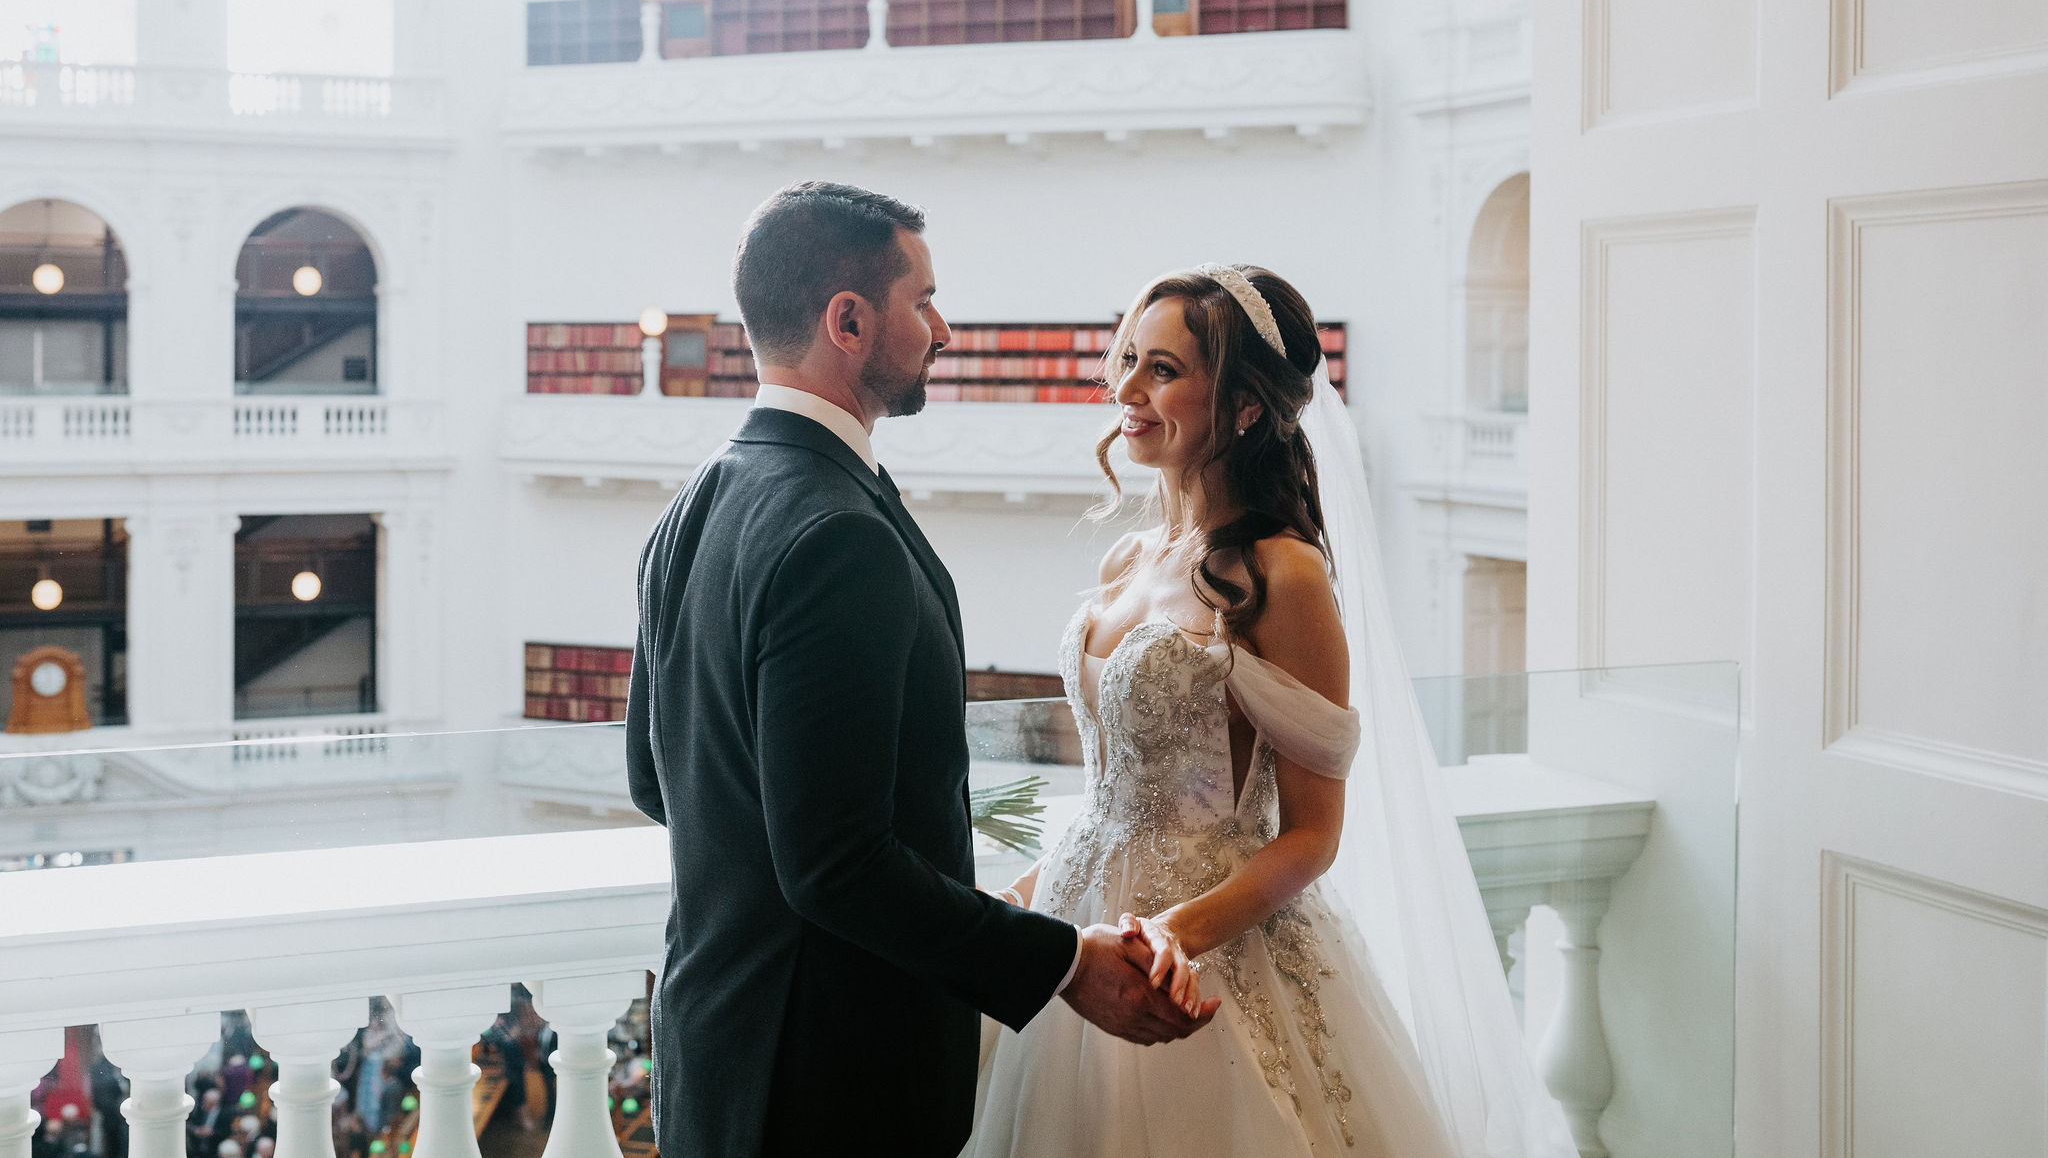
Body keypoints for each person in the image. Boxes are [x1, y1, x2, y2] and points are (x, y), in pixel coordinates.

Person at [626, 182, 1215, 1158]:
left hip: (712, 1050)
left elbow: (659, 781)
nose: (941, 329)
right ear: (848, 321)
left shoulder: (693, 507)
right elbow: (836, 864)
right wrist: (1066, 963)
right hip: (832, 1077)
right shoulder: (836, 537)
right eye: (924, 301)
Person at [968, 266, 1577, 1156]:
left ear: (1245, 407)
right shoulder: (1127, 560)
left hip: (1210, 951)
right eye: (1128, 358)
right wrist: (1016, 909)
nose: (1126, 390)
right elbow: (1110, 803)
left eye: (1163, 369)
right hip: (1084, 925)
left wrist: (1170, 935)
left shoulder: (1282, 576)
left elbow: (1312, 834)